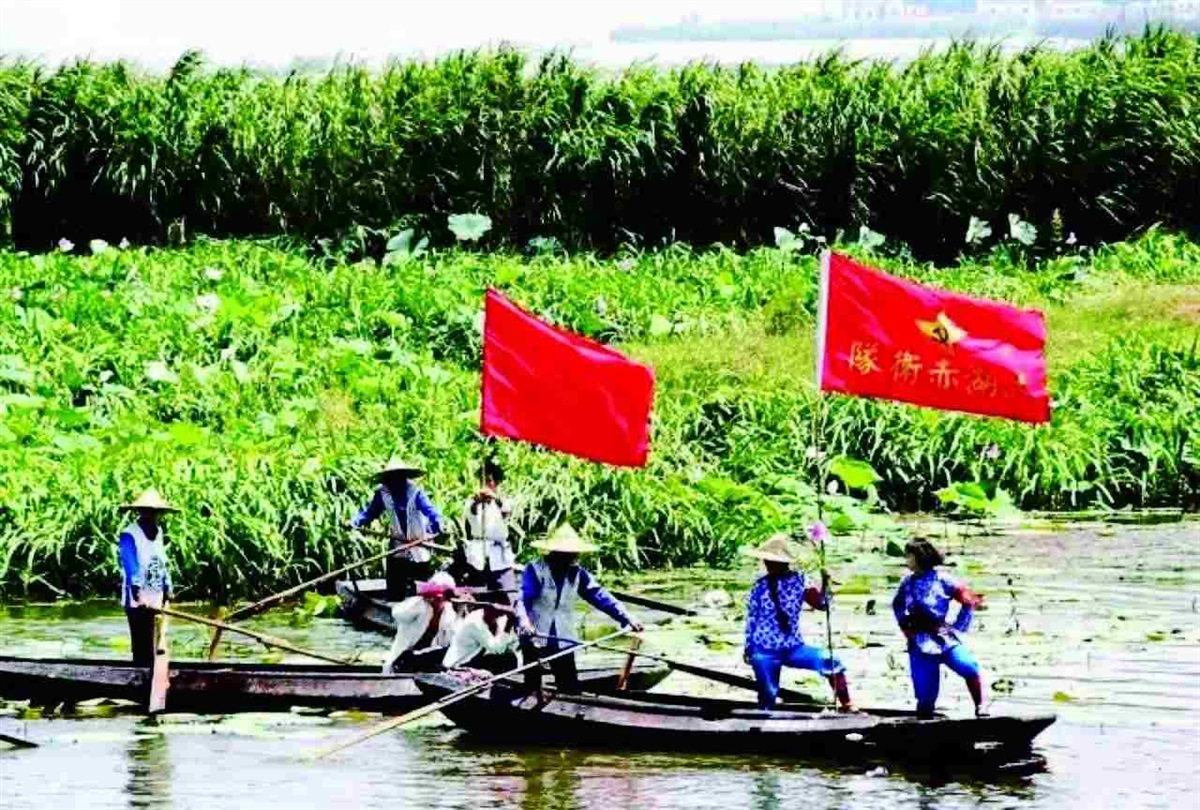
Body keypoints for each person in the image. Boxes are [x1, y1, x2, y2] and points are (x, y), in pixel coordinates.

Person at [516, 524, 643, 693]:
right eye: (567, 554)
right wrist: (524, 623)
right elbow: (523, 600)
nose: (573, 557)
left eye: (573, 554)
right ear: (555, 553)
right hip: (536, 633)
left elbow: (600, 596)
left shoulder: (578, 574)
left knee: (569, 685)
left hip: (563, 636)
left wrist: (627, 618)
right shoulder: (536, 571)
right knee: (532, 685)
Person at [742, 533, 854, 711]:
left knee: (831, 661)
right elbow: (751, 618)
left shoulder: (801, 581)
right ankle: (765, 717)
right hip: (764, 648)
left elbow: (821, 604)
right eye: (766, 561)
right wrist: (748, 647)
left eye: (771, 561)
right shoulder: (760, 586)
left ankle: (847, 705)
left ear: (783, 562)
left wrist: (825, 585)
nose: (767, 564)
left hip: (793, 647)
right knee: (768, 694)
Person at [892, 537, 987, 718]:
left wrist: (958, 626)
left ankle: (980, 707)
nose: (906, 561)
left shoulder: (944, 579)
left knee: (969, 667)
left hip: (943, 637)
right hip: (919, 641)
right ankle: (924, 721)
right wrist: (906, 628)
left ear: (919, 557)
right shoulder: (907, 582)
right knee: (925, 695)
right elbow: (897, 605)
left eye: (909, 556)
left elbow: (968, 600)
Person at [352, 458, 445, 600]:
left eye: (398, 477)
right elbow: (370, 513)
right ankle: (394, 607)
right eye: (391, 478)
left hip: (419, 544)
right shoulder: (383, 494)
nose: (394, 482)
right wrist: (356, 522)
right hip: (398, 544)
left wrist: (438, 523)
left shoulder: (416, 493)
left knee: (420, 588)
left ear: (403, 478)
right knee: (395, 588)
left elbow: (430, 511)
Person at [117, 489, 176, 667]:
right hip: (138, 600)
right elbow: (131, 566)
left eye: (155, 512)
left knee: (156, 644)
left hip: (156, 596)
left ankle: (153, 676)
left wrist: (168, 587)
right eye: (147, 511)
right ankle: (141, 678)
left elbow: (161, 560)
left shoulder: (158, 532)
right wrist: (138, 593)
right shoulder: (129, 534)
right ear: (140, 512)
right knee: (142, 644)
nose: (152, 516)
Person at [453, 459, 517, 599]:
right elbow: (470, 514)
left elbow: (506, 511)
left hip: (499, 555)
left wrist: (495, 499)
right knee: (476, 591)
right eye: (486, 480)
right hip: (478, 553)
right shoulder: (472, 501)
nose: (489, 484)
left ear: (497, 483)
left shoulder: (503, 501)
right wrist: (477, 502)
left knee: (508, 593)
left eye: (492, 481)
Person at [382, 572, 459, 673]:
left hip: (426, 659)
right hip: (404, 657)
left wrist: (462, 611)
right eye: (437, 593)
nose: (439, 597)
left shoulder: (449, 612)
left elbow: (452, 638)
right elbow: (397, 613)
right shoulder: (419, 604)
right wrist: (420, 599)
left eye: (443, 594)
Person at [442, 591, 520, 674]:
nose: (499, 617)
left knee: (509, 657)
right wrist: (507, 626)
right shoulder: (475, 622)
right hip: (457, 665)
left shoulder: (490, 619)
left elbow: (507, 645)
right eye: (499, 613)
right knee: (504, 659)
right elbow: (496, 649)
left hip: (471, 660)